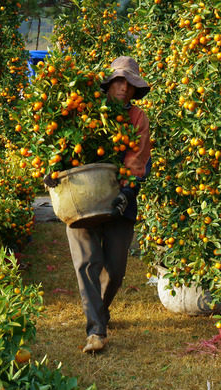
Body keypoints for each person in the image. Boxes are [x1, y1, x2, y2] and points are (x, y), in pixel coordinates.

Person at [65, 56, 151, 353]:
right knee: (88, 262)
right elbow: (61, 141)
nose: (123, 88)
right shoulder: (84, 109)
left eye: (129, 83)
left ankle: (100, 311)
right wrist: (53, 169)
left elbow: (137, 157)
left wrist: (127, 190)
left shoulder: (137, 117)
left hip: (119, 198)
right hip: (80, 196)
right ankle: (96, 331)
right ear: (108, 83)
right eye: (118, 81)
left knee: (114, 269)